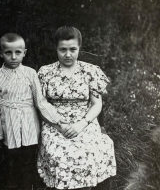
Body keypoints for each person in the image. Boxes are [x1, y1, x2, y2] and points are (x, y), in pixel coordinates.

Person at [37, 26, 117, 190]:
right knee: (59, 154)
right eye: (63, 49)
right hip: (55, 124)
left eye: (73, 49)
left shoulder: (90, 71)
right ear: (56, 48)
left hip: (85, 121)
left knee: (91, 150)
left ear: (79, 47)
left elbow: (97, 104)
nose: (68, 54)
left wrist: (82, 124)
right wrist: (60, 125)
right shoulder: (46, 73)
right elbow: (42, 106)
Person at [0, 33, 65, 189]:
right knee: (11, 166)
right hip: (9, 127)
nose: (14, 57)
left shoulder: (30, 73)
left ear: (24, 52)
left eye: (18, 52)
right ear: (0, 54)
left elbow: (40, 101)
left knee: (28, 164)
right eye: (8, 53)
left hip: (29, 126)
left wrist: (58, 119)